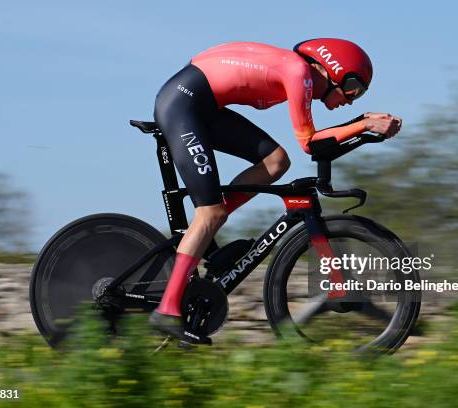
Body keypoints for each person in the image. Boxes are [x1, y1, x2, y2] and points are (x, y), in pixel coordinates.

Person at [150, 38, 402, 344]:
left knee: (276, 161)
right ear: (334, 69)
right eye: (354, 89)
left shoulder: (296, 72)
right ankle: (167, 309)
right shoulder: (299, 74)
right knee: (210, 213)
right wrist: (364, 124)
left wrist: (362, 125)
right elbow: (310, 142)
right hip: (184, 104)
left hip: (201, 105)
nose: (352, 99)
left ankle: (207, 233)